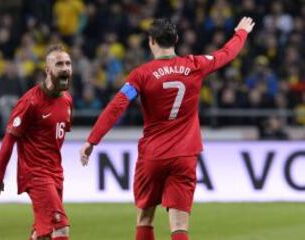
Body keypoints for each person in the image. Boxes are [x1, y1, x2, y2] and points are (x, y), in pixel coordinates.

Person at [80, 17, 255, 240]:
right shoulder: (195, 65)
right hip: (184, 155)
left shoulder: (141, 75)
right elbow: (226, 54)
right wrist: (241, 32)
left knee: (145, 219)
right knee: (180, 226)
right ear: (176, 40)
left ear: (151, 41)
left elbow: (117, 106)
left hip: (153, 156)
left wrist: (92, 140)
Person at [0, 44, 73, 240]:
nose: (66, 68)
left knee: (42, 234)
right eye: (59, 64)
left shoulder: (67, 100)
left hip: (56, 173)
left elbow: (55, 139)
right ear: (48, 70)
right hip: (36, 174)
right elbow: (9, 140)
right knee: (60, 227)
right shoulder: (30, 102)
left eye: (68, 63)